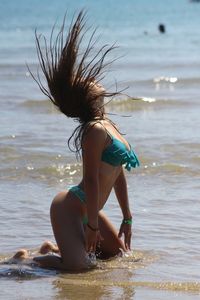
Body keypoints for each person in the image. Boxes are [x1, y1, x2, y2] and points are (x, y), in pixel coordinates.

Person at [25, 10, 139, 271]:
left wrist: (127, 216)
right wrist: (92, 227)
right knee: (81, 269)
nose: (94, 80)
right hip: (70, 208)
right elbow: (90, 179)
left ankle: (53, 248)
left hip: (91, 210)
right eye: (87, 82)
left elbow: (118, 173)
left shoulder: (109, 125)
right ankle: (26, 260)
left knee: (117, 255)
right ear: (86, 97)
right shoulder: (94, 130)